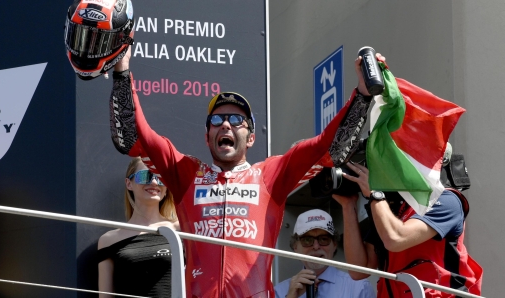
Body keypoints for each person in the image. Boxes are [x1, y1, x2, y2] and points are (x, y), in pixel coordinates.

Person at [104, 46, 369, 297]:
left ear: (251, 138)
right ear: (207, 137)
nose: (226, 125)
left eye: (237, 120)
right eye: (217, 120)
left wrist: (363, 95)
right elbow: (135, 137)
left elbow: (328, 146)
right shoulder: (186, 174)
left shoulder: (270, 174)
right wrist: (122, 70)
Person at [330, 55, 483, 297]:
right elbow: (360, 270)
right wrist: (349, 207)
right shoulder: (390, 206)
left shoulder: (447, 201)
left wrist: (375, 194)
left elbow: (395, 238)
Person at [97, 157, 179, 298]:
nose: (154, 182)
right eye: (145, 176)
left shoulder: (181, 231)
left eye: (160, 177)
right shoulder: (109, 240)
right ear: (129, 184)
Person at [274, 209, 375, 298]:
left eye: (324, 239)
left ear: (334, 244)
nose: (316, 246)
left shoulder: (359, 287)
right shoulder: (279, 292)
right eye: (307, 240)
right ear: (295, 246)